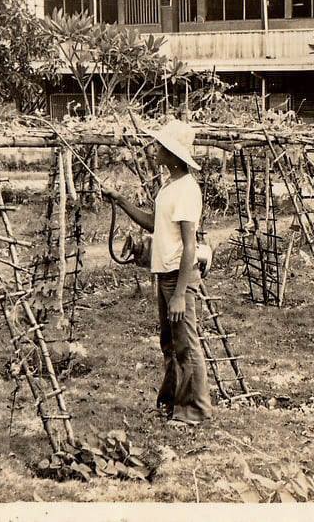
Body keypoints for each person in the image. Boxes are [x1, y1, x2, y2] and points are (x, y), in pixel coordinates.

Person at [103, 120, 212, 429]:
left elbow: (190, 246)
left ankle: (195, 410)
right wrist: (120, 201)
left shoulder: (188, 190)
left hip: (179, 275)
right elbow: (155, 225)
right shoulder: (169, 187)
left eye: (161, 146)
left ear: (174, 155)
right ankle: (171, 403)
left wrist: (179, 293)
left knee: (186, 344)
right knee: (170, 342)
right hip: (164, 274)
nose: (154, 150)